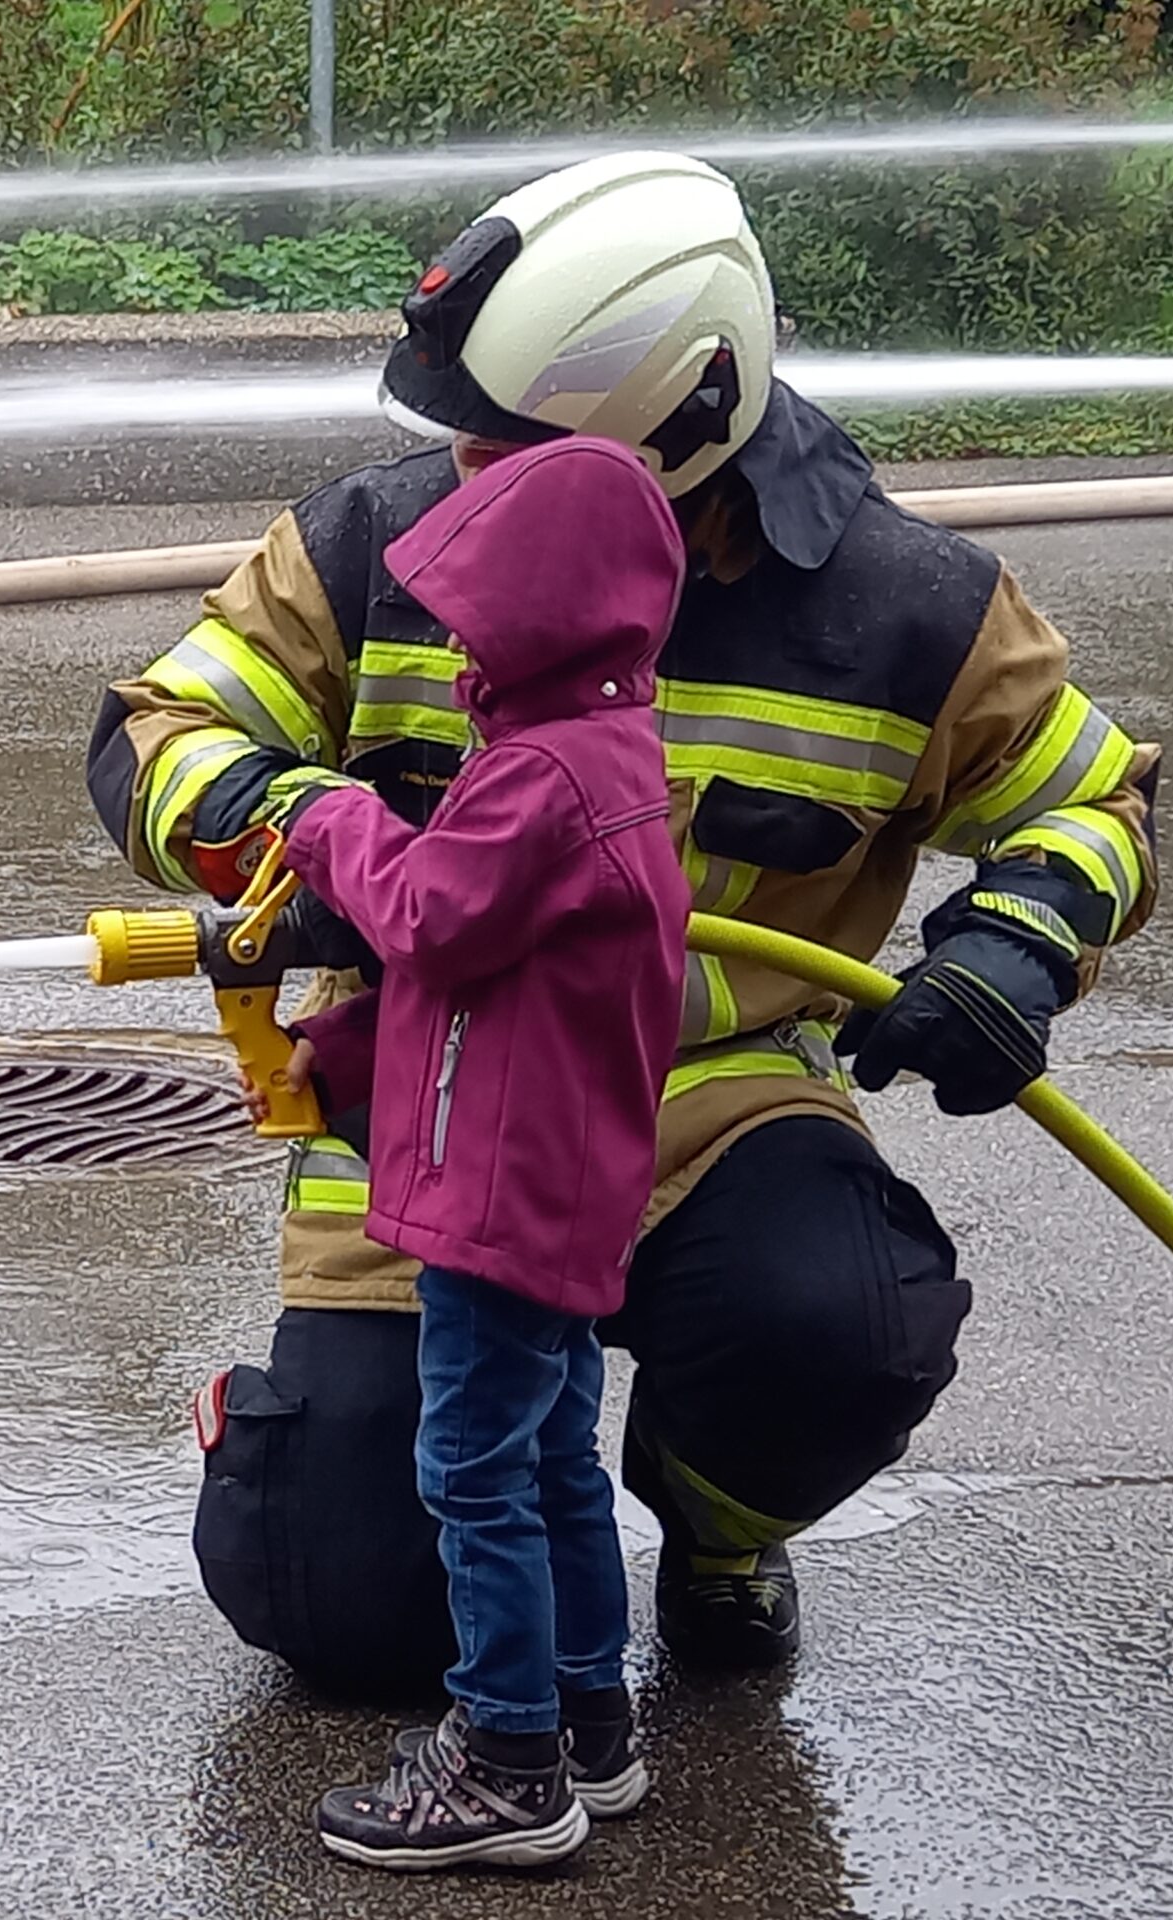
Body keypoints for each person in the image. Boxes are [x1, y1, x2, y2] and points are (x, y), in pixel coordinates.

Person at [93, 150, 1161, 1697]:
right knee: (345, 1607)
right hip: (436, 1103)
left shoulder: (908, 609)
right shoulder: (366, 549)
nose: (455, 472)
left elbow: (1097, 803)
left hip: (706, 1093)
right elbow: (155, 732)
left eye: (500, 445)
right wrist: (297, 840)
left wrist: (1017, 941)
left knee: (839, 1334)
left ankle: (719, 1525)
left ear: (665, 430)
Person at [254, 436, 690, 1870]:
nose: (452, 660)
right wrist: (360, 1058)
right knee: (555, 1450)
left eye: (479, 630)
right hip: (565, 1184)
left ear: (549, 629)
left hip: (499, 1202)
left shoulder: (539, 783)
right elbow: (500, 992)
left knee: (471, 1468)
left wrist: (333, 819)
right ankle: (590, 1722)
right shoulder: (613, 756)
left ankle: (506, 1759)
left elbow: (433, 915)